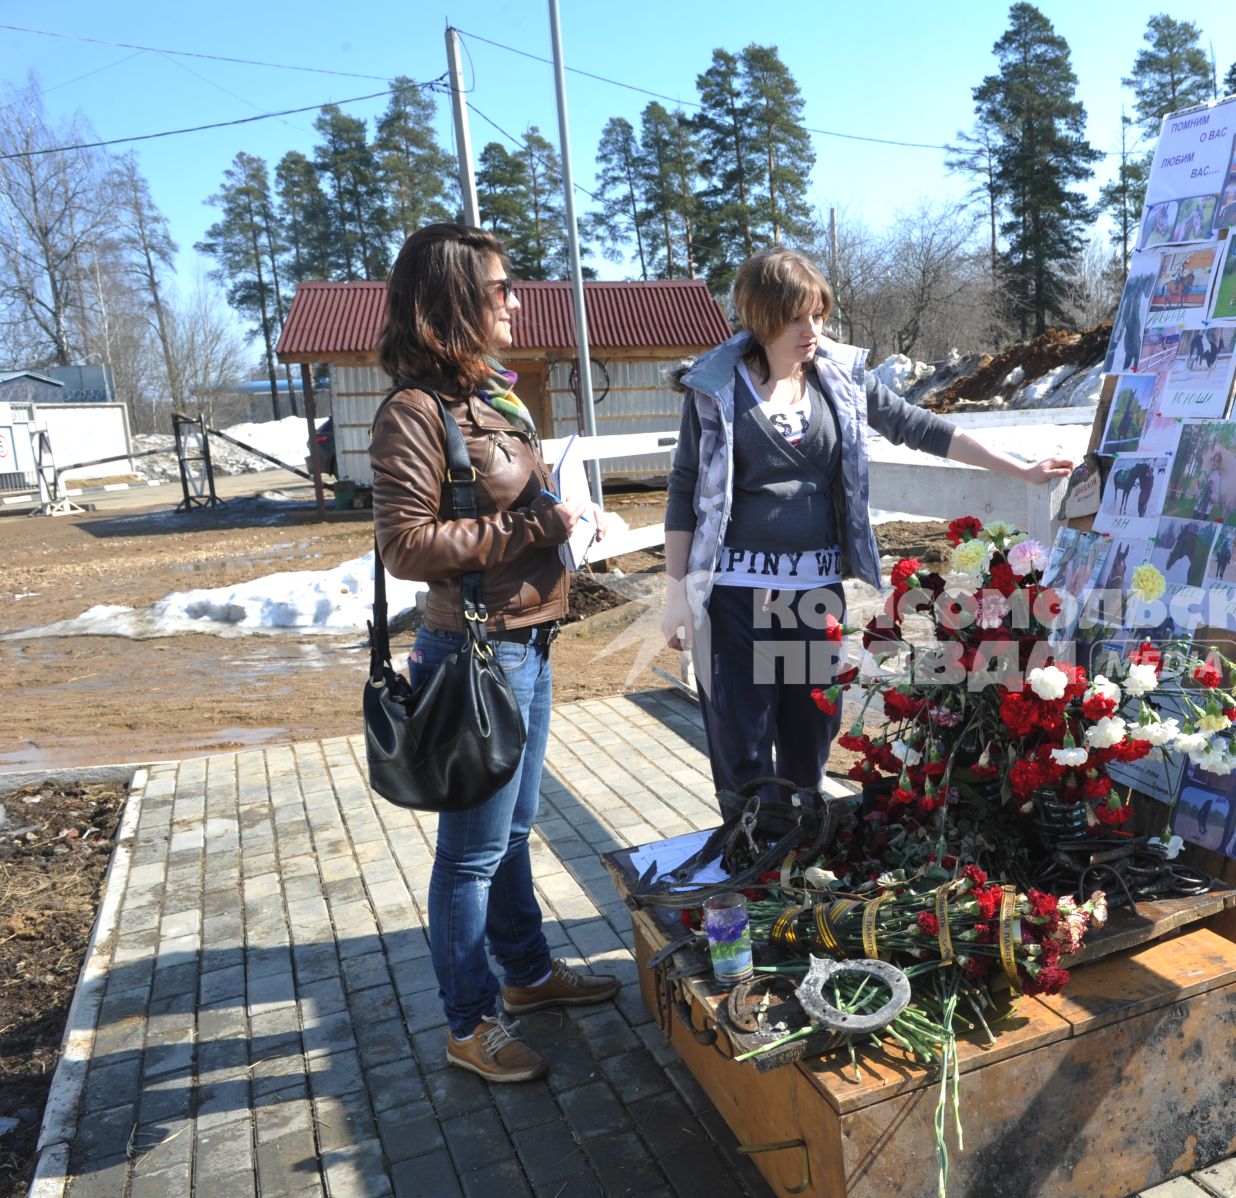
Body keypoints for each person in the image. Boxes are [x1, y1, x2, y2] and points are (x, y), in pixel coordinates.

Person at [661, 249, 1073, 798]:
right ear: (760, 318)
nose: (812, 330)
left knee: (811, 733)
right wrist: (675, 592)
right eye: (796, 318)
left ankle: (798, 859)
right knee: (743, 742)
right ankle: (751, 858)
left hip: (813, 597)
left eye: (819, 314)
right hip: (736, 596)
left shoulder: (840, 377)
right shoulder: (716, 388)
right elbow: (685, 488)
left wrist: (1018, 469)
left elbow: (918, 425)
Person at [371, 222, 619, 1085]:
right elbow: (404, 543)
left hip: (531, 640)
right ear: (453, 300)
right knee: (470, 852)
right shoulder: (414, 411)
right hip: (476, 652)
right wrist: (529, 526)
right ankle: (469, 1022)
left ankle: (526, 976)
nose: (514, 299)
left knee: (512, 834)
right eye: (499, 288)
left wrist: (568, 521)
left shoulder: (490, 398)